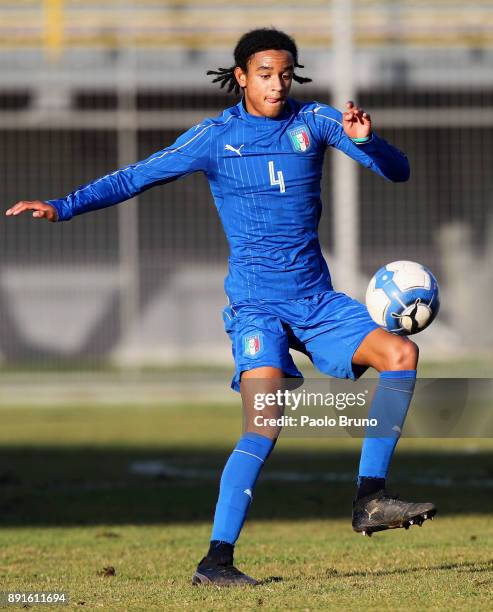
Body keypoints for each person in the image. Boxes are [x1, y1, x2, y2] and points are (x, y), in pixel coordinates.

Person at [6, 28, 436, 587]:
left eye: (285, 74)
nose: (277, 84)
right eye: (264, 74)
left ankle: (369, 499)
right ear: (241, 77)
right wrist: (63, 206)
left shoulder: (319, 123)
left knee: (401, 353)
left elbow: (398, 171)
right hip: (257, 307)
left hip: (316, 300)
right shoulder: (214, 137)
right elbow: (137, 176)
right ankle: (216, 560)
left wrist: (370, 141)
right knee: (266, 422)